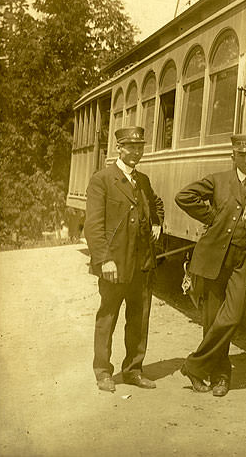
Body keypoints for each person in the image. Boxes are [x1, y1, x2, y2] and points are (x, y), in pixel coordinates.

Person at [175, 133, 246, 397]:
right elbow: (184, 196)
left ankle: (194, 365)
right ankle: (220, 377)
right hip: (214, 259)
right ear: (233, 157)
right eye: (241, 156)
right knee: (212, 321)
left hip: (244, 260)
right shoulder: (218, 180)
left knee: (231, 317)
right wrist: (212, 217)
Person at [84, 126, 164, 392]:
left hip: (142, 264)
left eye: (140, 147)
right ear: (119, 148)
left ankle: (133, 370)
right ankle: (103, 372)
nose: (136, 152)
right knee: (107, 317)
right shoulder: (103, 179)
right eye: (131, 147)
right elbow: (93, 226)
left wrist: (157, 222)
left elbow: (155, 203)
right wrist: (104, 259)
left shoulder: (143, 180)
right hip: (115, 265)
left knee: (139, 319)